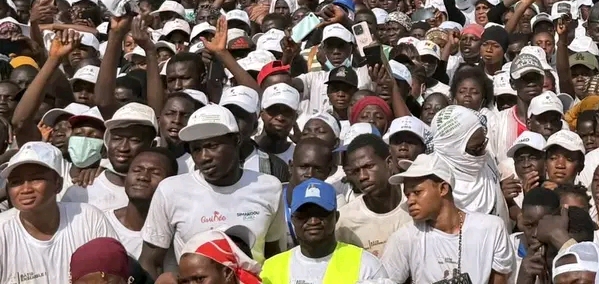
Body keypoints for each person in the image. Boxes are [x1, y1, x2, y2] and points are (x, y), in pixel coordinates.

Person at [140, 104, 286, 276]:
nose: (204, 157)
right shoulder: (171, 191)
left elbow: (273, 255)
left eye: (212, 146)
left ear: (236, 140)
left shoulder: (269, 188)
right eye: (196, 149)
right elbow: (150, 261)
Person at [381, 153, 514, 284]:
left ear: (443, 189)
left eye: (417, 192)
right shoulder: (404, 238)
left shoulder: (491, 229)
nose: (410, 201)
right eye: (408, 195)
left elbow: (499, 280)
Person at [0, 142, 118, 284]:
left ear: (58, 184)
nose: (25, 189)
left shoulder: (89, 219)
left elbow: (116, 274)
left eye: (36, 179)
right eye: (16, 182)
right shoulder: (2, 231)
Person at [261, 178, 390, 283]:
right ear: (292, 219)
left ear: (336, 217)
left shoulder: (366, 266)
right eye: (304, 215)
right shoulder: (270, 269)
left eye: (321, 213)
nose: (313, 221)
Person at [337, 134, 412, 256]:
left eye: (369, 166)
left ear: (389, 163)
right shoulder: (345, 221)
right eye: (355, 171)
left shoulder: (415, 200)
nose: (362, 176)